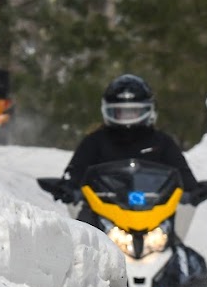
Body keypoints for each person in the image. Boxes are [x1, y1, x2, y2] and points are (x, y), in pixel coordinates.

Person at [60, 73, 199, 195]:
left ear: (148, 111)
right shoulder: (94, 141)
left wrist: (194, 191)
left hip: (155, 213)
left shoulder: (162, 142)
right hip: (101, 212)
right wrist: (67, 188)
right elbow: (75, 173)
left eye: (133, 112)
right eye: (121, 112)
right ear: (108, 111)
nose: (127, 118)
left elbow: (184, 175)